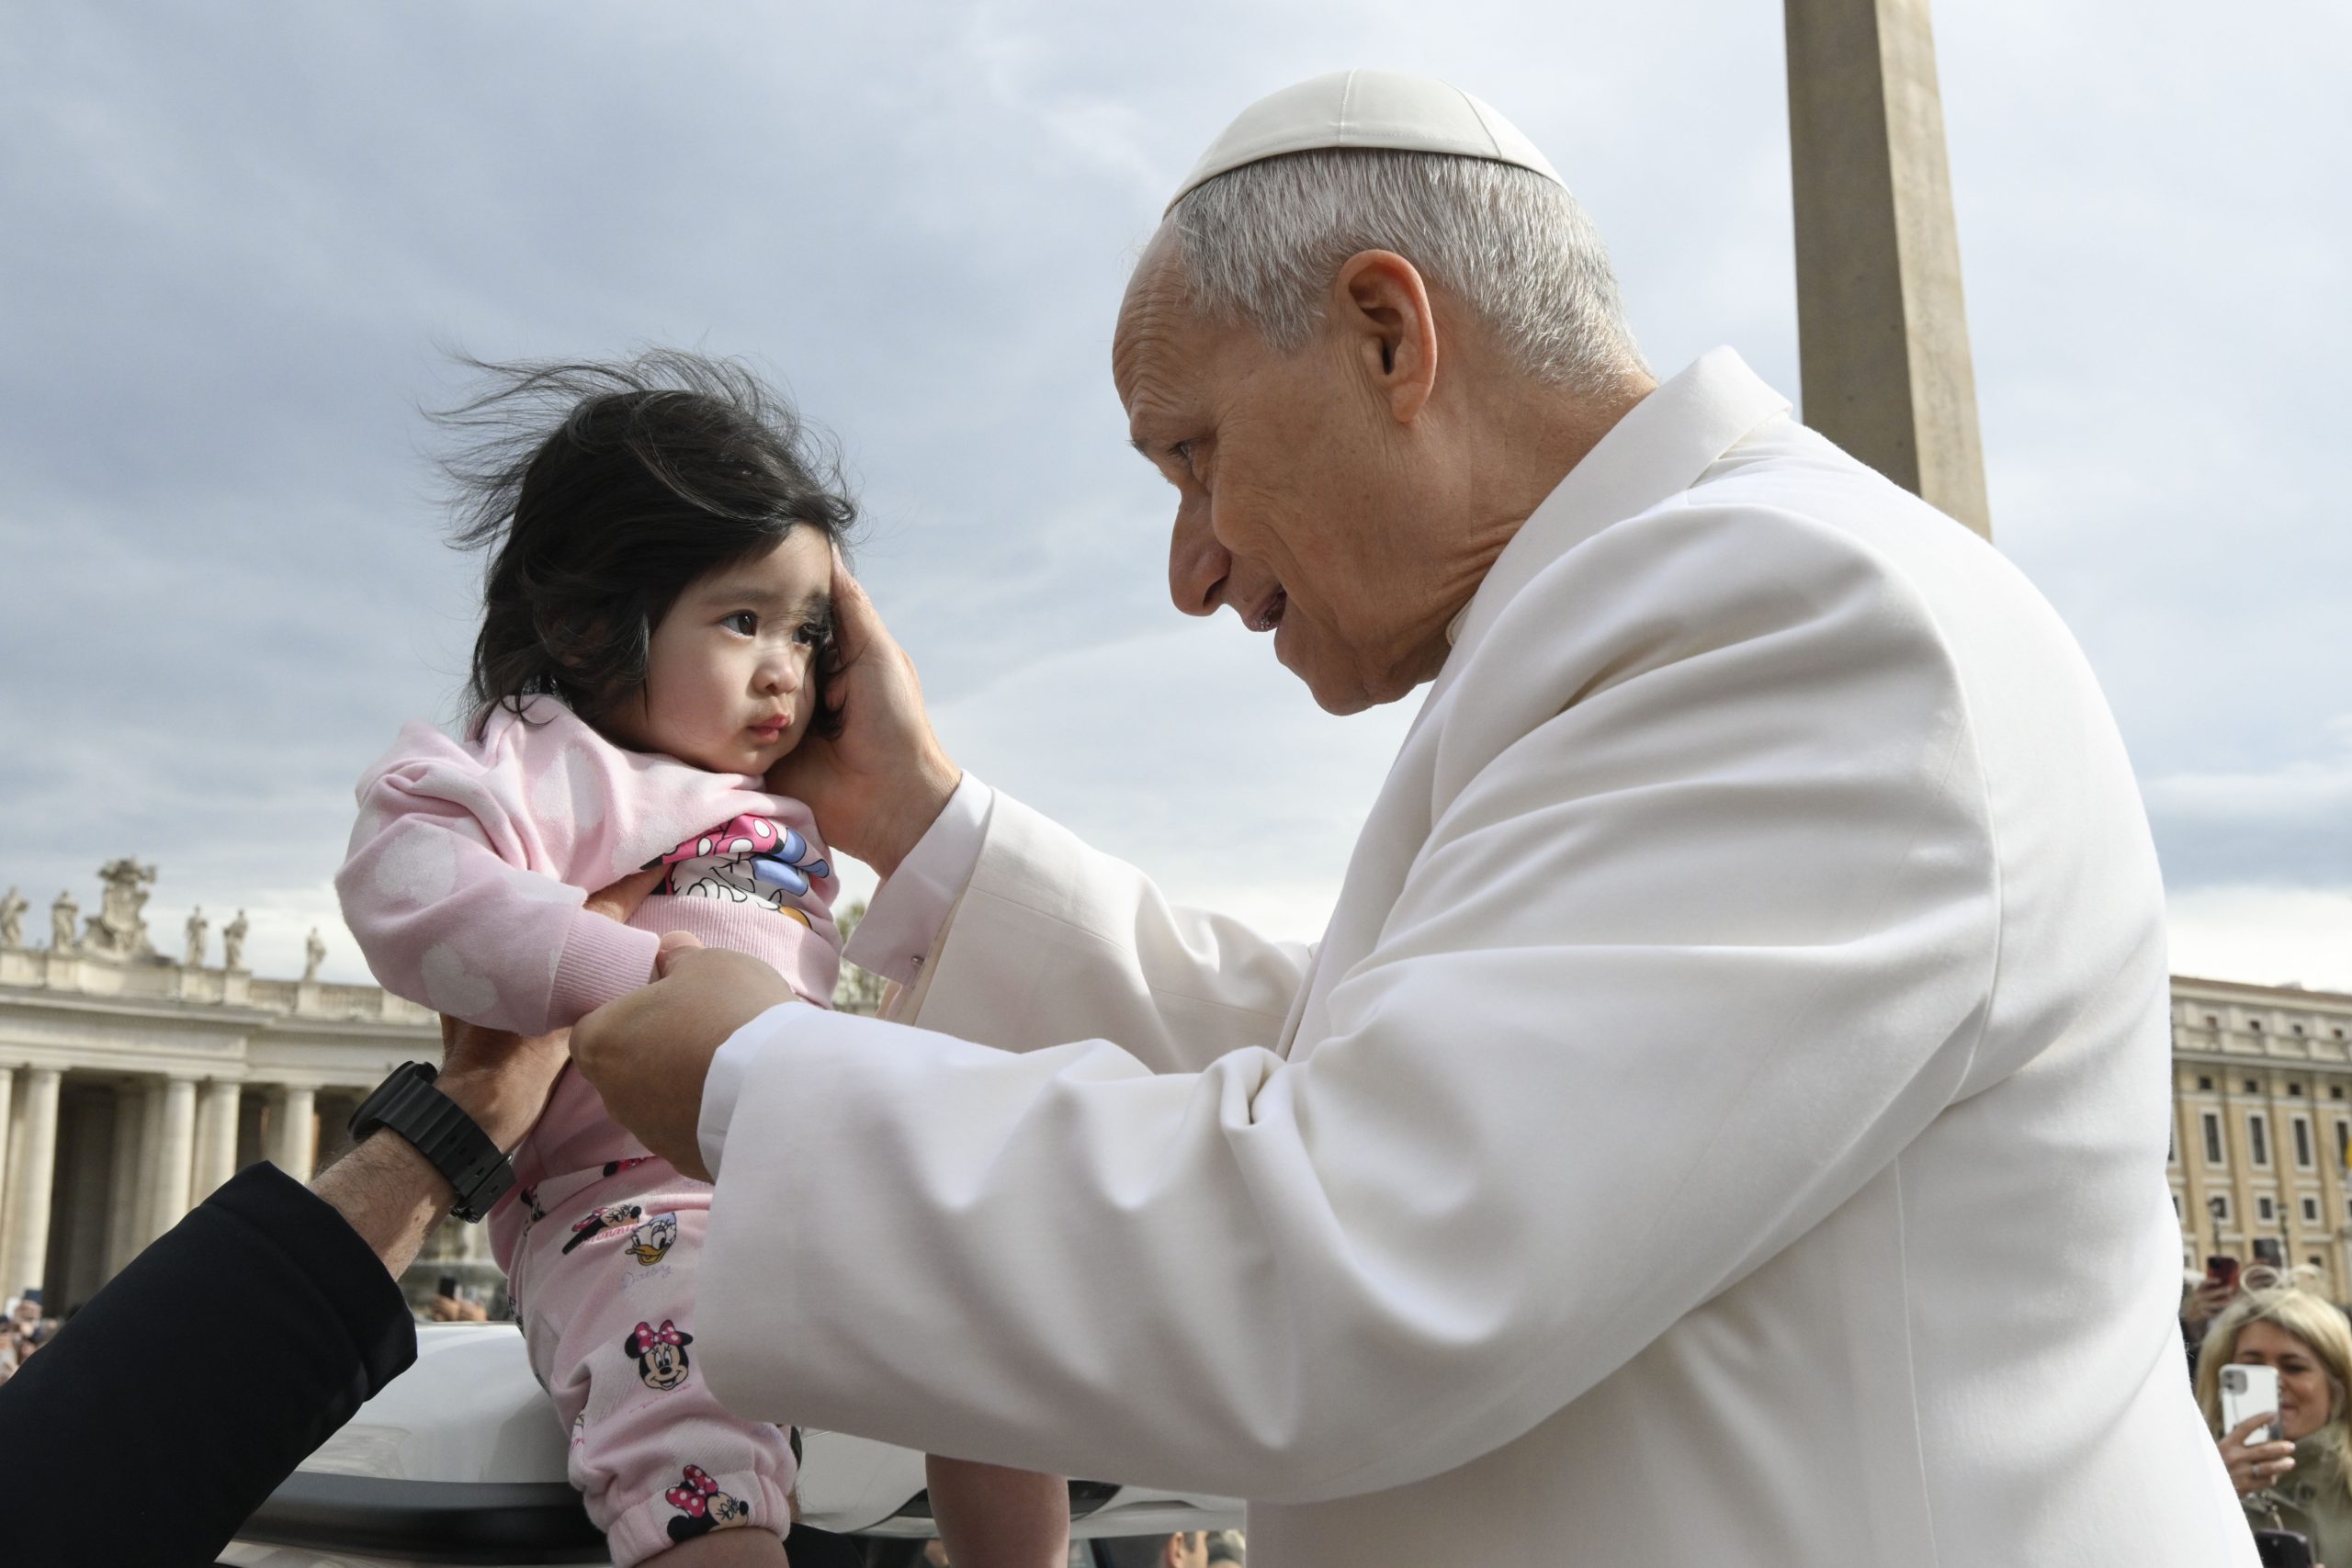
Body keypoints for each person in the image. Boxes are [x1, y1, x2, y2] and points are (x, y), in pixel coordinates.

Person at [567, 70, 2254, 1564]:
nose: (1192, 569)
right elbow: (1369, 1070)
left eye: (1194, 454)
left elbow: (1374, 1242)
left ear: (1390, 335)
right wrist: (921, 818)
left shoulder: (1797, 613)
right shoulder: (1664, 612)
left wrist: (757, 1078)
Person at [336, 352, 1065, 1568]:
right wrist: (626, 980)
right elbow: (404, 881)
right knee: (694, 1433)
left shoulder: (780, 799)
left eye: (809, 631)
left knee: (996, 1317)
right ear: (588, 627)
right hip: (627, 1205)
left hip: (809, 1166)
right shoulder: (551, 759)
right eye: (741, 621)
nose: (787, 668)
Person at [2197, 1278, 2352, 1563]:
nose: (2276, 1382)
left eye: (2294, 1367)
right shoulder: (2192, 1478)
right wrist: (2209, 1493)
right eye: (2252, 1365)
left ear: (2336, 1385)